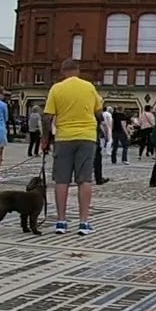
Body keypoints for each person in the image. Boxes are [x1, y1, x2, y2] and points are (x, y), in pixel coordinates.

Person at [40, 59, 100, 235]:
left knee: (62, 180)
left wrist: (45, 139)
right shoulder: (89, 87)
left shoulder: (57, 88)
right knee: (85, 180)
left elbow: (47, 117)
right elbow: (98, 111)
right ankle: (83, 222)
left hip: (64, 137)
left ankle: (61, 221)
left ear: (62, 71)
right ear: (78, 70)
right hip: (87, 137)